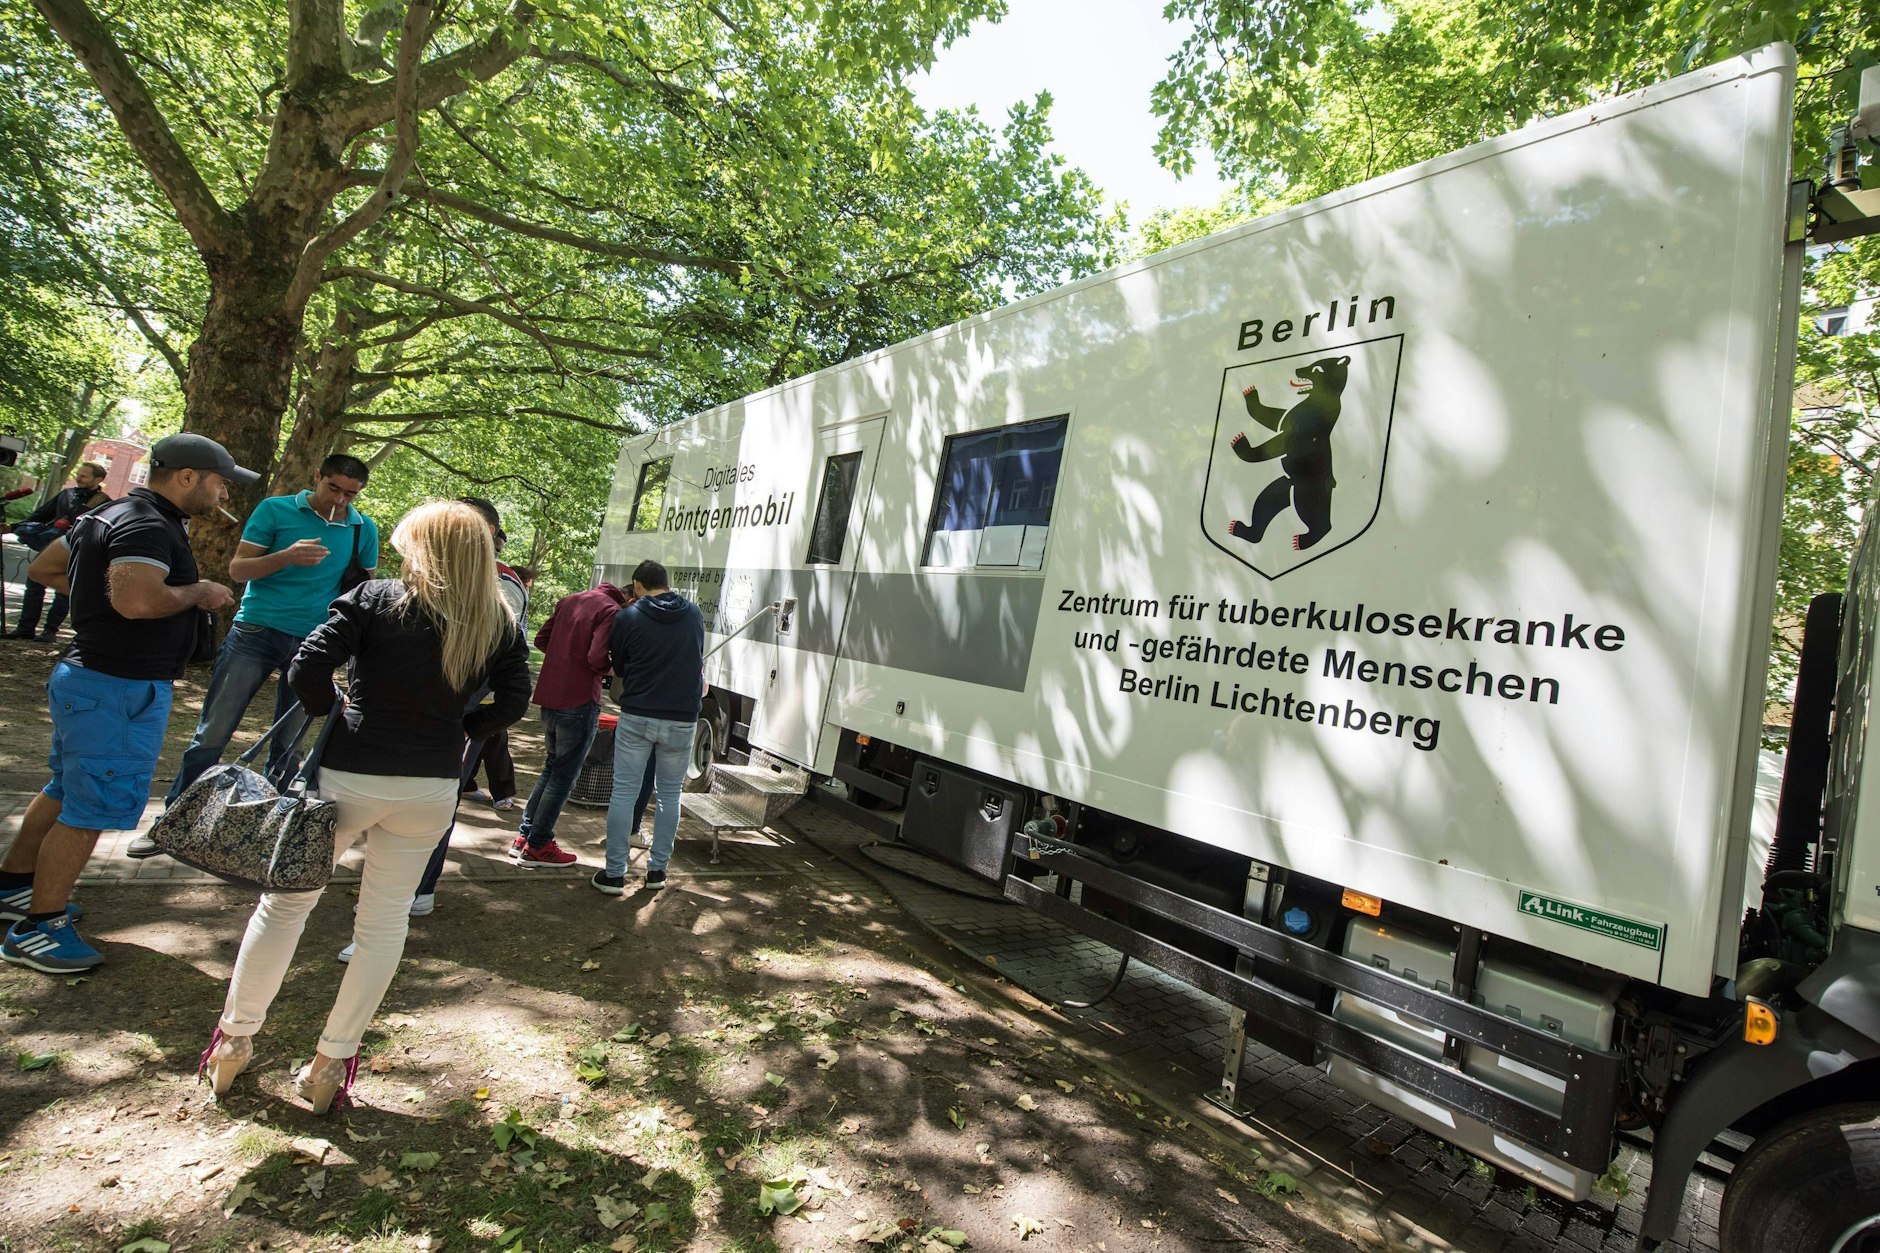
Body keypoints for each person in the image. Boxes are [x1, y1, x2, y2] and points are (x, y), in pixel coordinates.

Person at [200, 500, 529, 1112]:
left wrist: (338, 713)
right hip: (429, 787)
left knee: (284, 907)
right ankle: (332, 1062)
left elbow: (307, 666)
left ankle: (235, 1040)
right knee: (384, 924)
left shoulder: (378, 599)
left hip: (349, 774)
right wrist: (461, 728)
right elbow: (514, 701)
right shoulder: (498, 620)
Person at [0, 434, 249, 972]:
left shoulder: (114, 514)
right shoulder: (148, 524)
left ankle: (15, 884)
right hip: (115, 685)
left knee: (65, 787)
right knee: (90, 806)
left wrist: (97, 597)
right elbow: (137, 600)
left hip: (91, 677)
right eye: (219, 480)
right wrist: (198, 593)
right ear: (188, 477)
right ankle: (39, 927)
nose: (223, 491)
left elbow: (47, 567)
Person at [135, 454, 379, 858]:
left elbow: (363, 592)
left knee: (290, 744)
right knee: (213, 733)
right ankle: (173, 822)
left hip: (315, 642)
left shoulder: (361, 528)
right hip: (257, 631)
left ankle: (267, 832)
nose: (339, 499)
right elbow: (238, 570)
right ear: (316, 476)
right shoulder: (276, 509)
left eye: (350, 494)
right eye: (332, 488)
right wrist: (286, 556)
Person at [593, 559, 704, 895]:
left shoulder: (628, 616)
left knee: (624, 792)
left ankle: (614, 874)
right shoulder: (694, 614)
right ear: (667, 583)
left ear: (637, 585)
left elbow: (620, 665)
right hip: (682, 718)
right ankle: (657, 871)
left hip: (639, 713)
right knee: (670, 796)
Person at [508, 578, 629, 866]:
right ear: (624, 598)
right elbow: (597, 656)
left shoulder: (571, 599)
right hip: (579, 698)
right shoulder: (611, 611)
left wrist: (563, 659)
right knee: (563, 776)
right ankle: (539, 845)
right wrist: (610, 669)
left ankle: (526, 836)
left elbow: (540, 639)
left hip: (550, 695)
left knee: (551, 769)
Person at [2, 462, 112, 641]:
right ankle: (25, 628)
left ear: (98, 479)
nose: (78, 478)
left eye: (84, 476)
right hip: (51, 548)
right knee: (34, 584)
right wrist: (14, 528)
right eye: (79, 474)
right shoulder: (66, 494)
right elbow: (39, 515)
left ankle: (50, 631)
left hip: (76, 552)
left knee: (63, 593)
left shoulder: (106, 504)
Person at [463, 568, 535, 811]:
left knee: (492, 736)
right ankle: (494, 791)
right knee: (491, 737)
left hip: (483, 698)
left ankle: (485, 788)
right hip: (479, 697)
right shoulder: (505, 590)